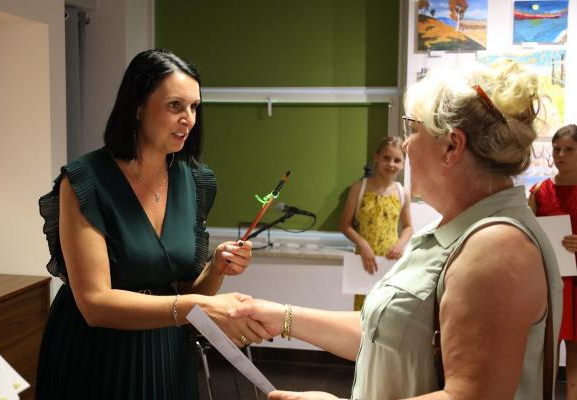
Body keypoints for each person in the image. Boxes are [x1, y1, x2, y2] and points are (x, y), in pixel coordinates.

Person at [230, 60, 562, 399]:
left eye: (412, 129)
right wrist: (284, 318)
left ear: (452, 146)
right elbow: (385, 333)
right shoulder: (451, 230)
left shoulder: (497, 247)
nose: (405, 146)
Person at [36, 49, 270, 399]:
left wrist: (217, 267)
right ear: (137, 107)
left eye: (194, 107)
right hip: (95, 356)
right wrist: (197, 308)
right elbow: (95, 304)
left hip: (166, 352)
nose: (188, 119)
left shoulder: (195, 180)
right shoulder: (87, 181)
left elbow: (186, 290)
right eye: (175, 106)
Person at [529, 124, 577, 400]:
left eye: (569, 149)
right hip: (550, 283)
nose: (560, 155)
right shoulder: (539, 191)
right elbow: (527, 236)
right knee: (545, 359)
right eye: (557, 149)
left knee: (575, 365)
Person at [339, 137, 413, 310]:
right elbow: (344, 225)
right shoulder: (359, 188)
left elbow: (408, 227)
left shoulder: (402, 193)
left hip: (391, 262)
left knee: (387, 310)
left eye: (397, 160)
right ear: (376, 157)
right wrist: (363, 244)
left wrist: (400, 245)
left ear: (403, 164)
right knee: (363, 312)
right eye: (386, 158)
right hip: (366, 262)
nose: (391, 164)